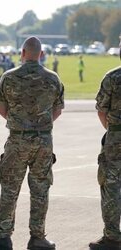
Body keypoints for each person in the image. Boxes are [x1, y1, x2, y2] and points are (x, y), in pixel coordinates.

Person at [0, 36, 64, 250]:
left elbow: (2, 110)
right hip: (43, 140)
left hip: (17, 138)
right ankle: (37, 237)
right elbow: (57, 110)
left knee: (10, 187)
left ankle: (3, 236)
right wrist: (39, 125)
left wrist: (20, 123)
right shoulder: (53, 78)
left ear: (22, 53)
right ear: (41, 54)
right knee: (40, 189)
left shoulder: (8, 77)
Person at [89, 35, 121, 250]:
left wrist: (112, 132)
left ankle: (112, 237)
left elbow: (102, 110)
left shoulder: (112, 77)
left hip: (116, 138)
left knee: (111, 186)